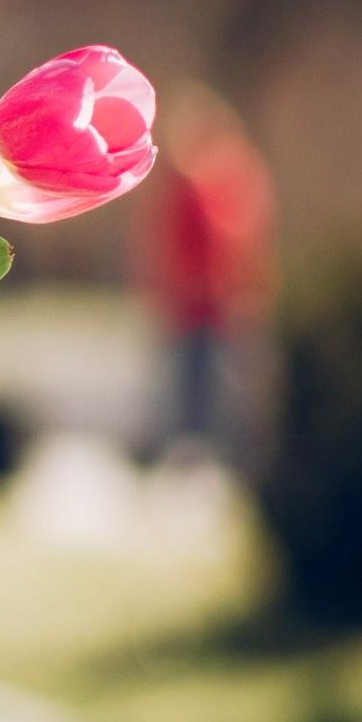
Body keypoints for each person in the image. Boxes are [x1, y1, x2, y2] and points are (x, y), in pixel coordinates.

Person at [139, 83, 277, 469]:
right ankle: (196, 461)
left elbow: (238, 245)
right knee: (195, 395)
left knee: (218, 396)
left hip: (214, 307)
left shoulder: (217, 179)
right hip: (196, 308)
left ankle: (217, 462)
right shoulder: (205, 180)